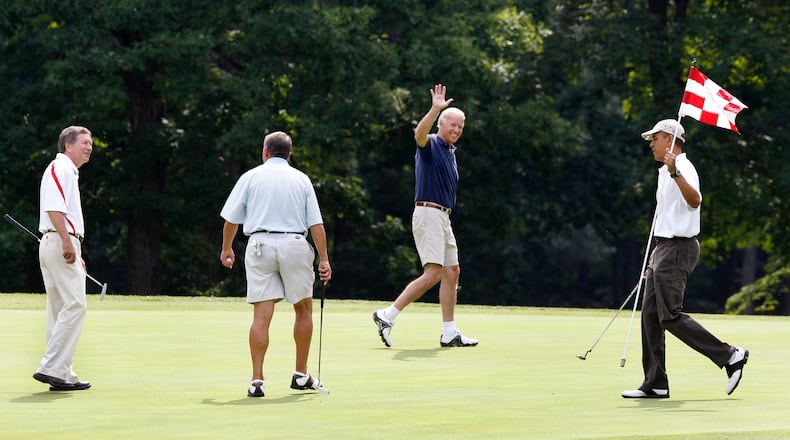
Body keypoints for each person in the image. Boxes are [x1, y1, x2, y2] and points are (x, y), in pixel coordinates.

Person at [622, 119, 748, 399]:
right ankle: (655, 382)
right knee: (651, 316)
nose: (651, 144)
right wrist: (657, 247)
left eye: (654, 138)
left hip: (679, 248)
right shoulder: (664, 172)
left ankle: (730, 356)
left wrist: (675, 171)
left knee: (670, 315)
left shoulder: (683, 168)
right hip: (665, 247)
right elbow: (669, 215)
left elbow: (695, 200)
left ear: (669, 139)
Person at [220, 131, 332, 398]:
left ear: (265, 152)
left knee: (261, 315)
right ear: (289, 154)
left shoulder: (251, 176)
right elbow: (316, 223)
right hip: (294, 244)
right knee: (303, 308)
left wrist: (227, 248)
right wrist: (324, 258)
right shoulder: (301, 179)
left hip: (259, 245)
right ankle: (301, 374)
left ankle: (257, 380)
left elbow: (231, 220)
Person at [372, 84, 478, 348]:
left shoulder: (450, 152)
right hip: (428, 213)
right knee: (433, 274)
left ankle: (449, 331)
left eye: (460, 127)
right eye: (451, 125)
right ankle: (387, 315)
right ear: (441, 124)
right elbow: (419, 133)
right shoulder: (431, 143)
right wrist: (434, 109)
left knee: (452, 271)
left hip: (442, 217)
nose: (456, 130)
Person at [33, 125, 94, 392]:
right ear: (67, 146)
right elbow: (54, 207)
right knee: (76, 305)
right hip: (59, 240)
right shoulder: (62, 168)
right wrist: (68, 243)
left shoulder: (68, 170)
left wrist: (73, 248)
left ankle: (62, 372)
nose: (89, 147)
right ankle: (51, 367)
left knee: (59, 309)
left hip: (57, 241)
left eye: (91, 143)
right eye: (84, 142)